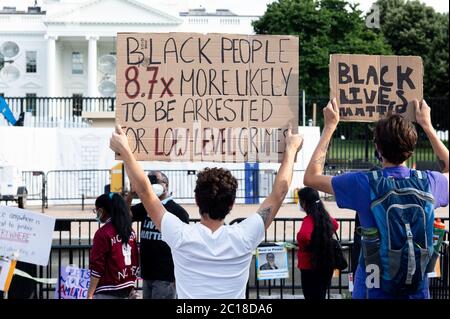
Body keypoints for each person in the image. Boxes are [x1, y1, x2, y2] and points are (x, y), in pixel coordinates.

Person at [110, 124, 303, 298]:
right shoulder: (245, 235)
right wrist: (291, 150)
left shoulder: (181, 235)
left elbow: (144, 191)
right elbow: (279, 193)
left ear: (196, 200)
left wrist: (126, 150)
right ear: (231, 204)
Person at [304, 98, 449, 299]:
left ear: (378, 148)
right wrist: (427, 125)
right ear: (411, 148)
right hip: (417, 290)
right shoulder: (429, 182)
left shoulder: (363, 184)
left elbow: (311, 177)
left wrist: (329, 126)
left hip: (373, 291)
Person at [126, 171, 189, 299]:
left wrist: (179, 276)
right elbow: (125, 215)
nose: (152, 185)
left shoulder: (178, 212)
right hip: (148, 272)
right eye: (149, 182)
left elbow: (183, 246)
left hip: (165, 275)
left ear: (165, 186)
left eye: (155, 182)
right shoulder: (146, 207)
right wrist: (130, 195)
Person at [87, 193, 139, 299]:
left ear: (101, 211)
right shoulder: (130, 232)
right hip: (127, 287)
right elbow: (135, 259)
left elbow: (97, 267)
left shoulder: (103, 233)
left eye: (96, 210)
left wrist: (90, 294)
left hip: (107, 289)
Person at [296, 187, 339, 300]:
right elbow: (335, 225)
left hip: (309, 265)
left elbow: (304, 236)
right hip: (325, 263)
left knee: (310, 295)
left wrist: (308, 245)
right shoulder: (324, 216)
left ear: (304, 203)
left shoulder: (309, 219)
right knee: (321, 294)